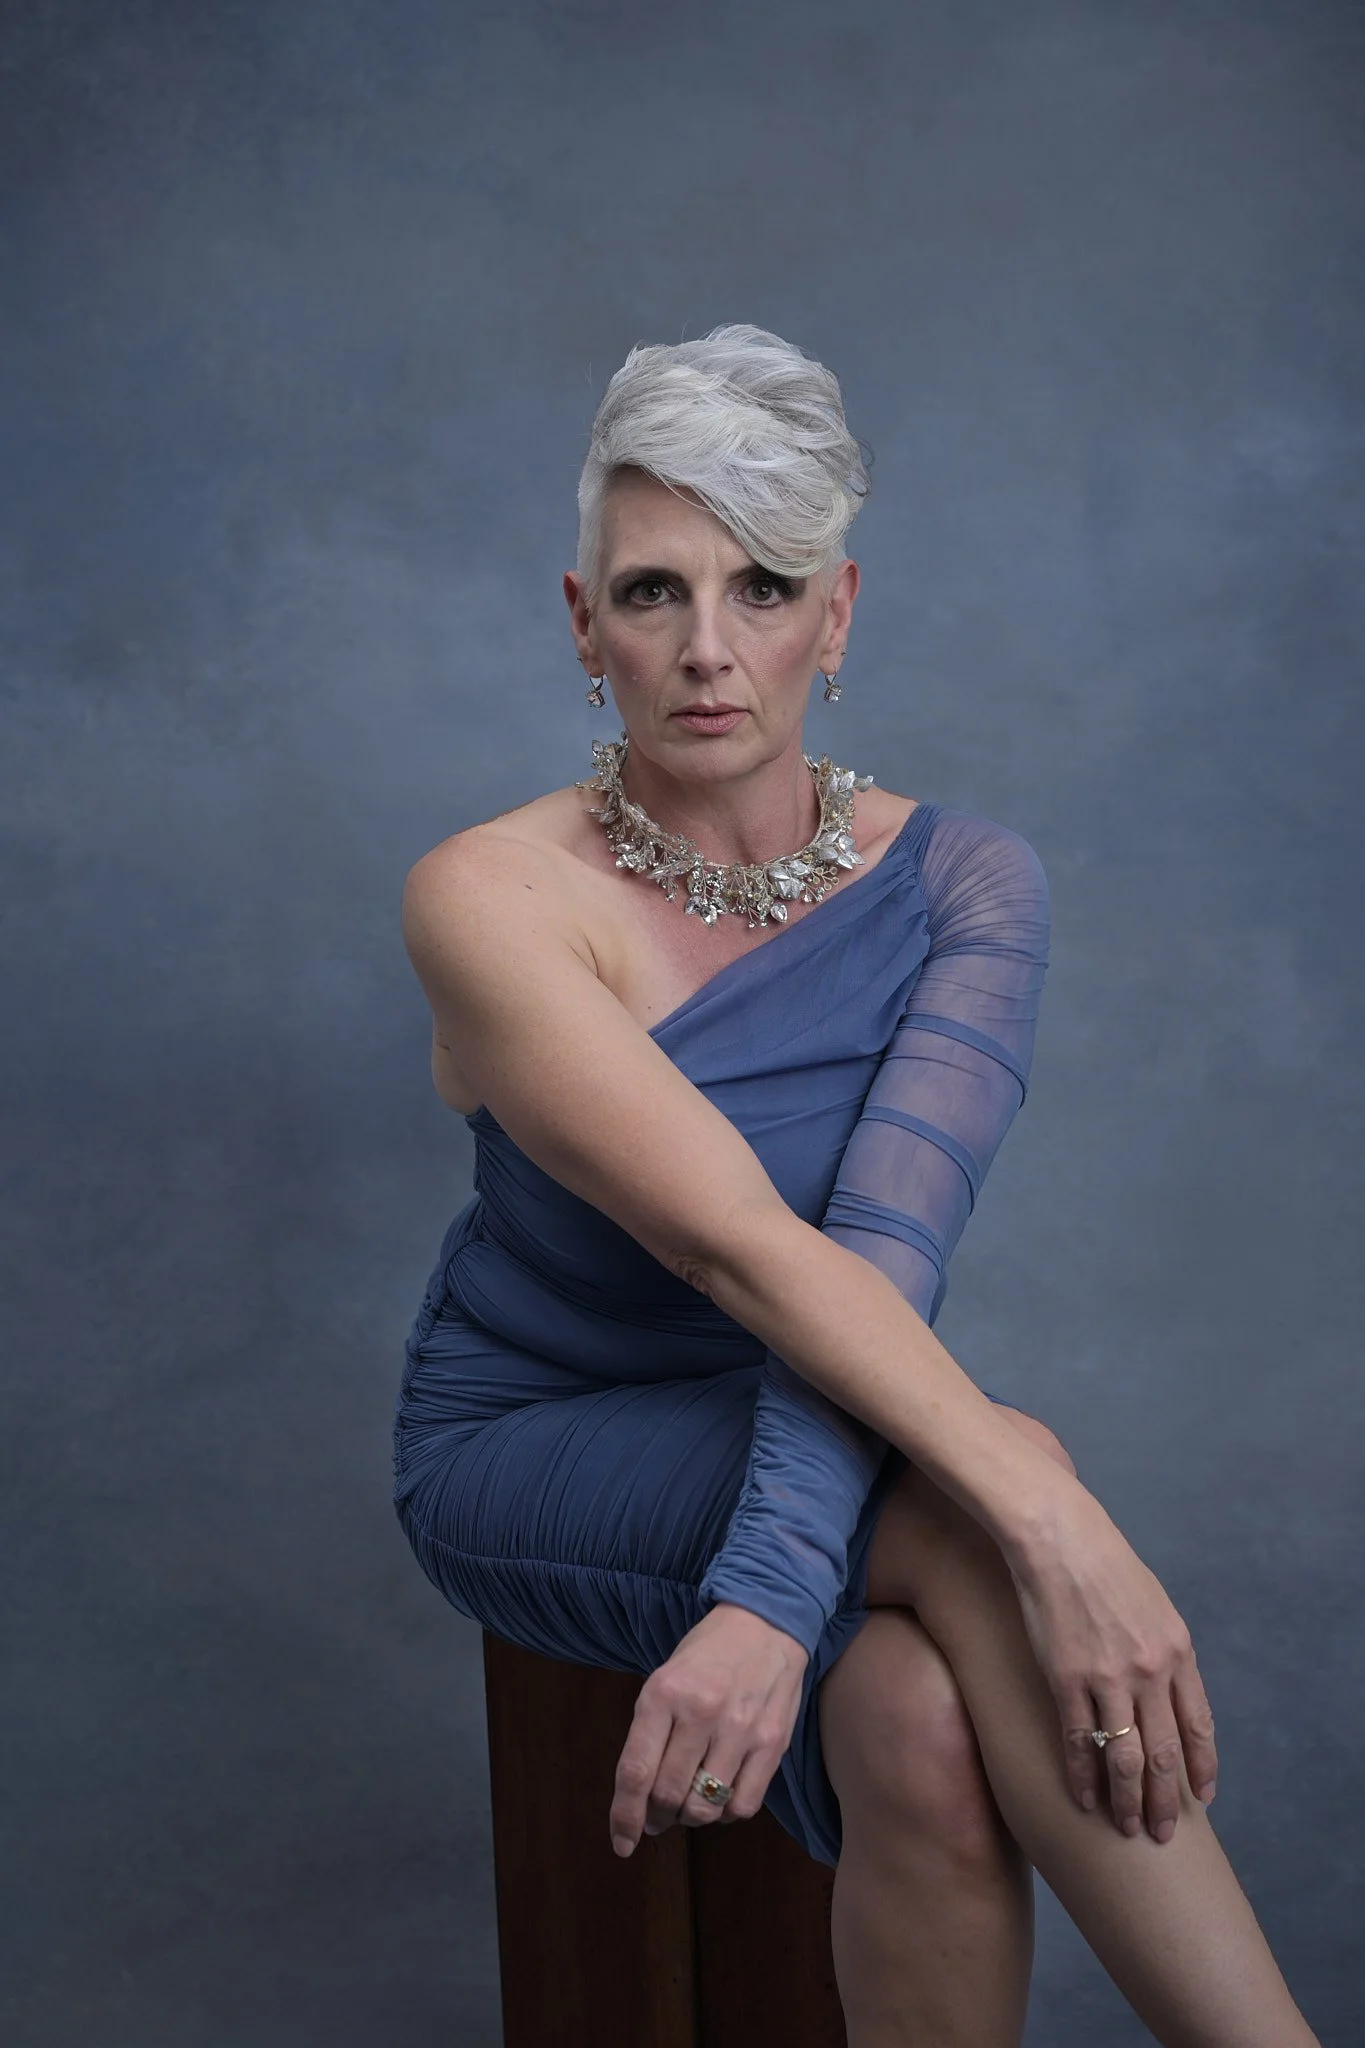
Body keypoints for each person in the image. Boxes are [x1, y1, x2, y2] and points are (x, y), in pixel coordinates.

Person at [391, 323, 1318, 2047]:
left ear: (843, 611)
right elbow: (737, 1248)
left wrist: (785, 1587)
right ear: (584, 627)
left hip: (831, 1392)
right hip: (538, 1433)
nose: (710, 649)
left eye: (764, 586)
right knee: (1000, 1504)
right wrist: (1058, 1531)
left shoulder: (969, 881)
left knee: (917, 1720)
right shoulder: (492, 895)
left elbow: (875, 1256)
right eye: (655, 593)